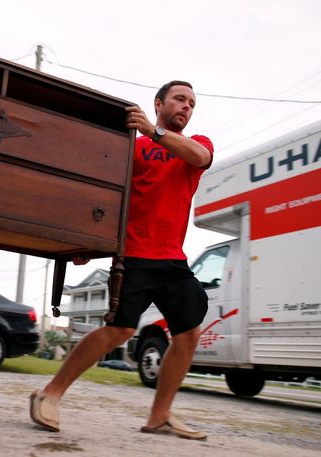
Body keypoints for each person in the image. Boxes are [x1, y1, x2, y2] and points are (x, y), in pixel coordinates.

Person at [29, 80, 214, 440]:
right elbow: (106, 199)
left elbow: (200, 158)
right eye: (179, 99)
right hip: (134, 254)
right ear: (159, 102)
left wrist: (154, 130)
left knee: (188, 332)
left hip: (173, 260)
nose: (186, 107)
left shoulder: (196, 146)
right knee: (120, 330)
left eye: (191, 103)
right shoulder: (131, 149)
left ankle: (159, 416)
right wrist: (88, 243)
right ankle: (49, 393)